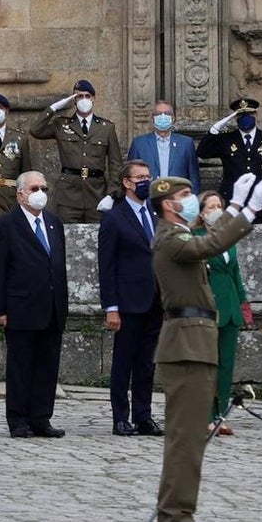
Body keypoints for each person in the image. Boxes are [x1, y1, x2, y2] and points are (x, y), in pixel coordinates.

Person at [149, 171, 262, 522]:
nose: (191, 200)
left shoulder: (180, 234)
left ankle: (176, 513)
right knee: (186, 438)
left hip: (195, 340)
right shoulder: (170, 238)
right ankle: (176, 519)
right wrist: (249, 210)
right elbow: (210, 245)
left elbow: (209, 238)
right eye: (185, 195)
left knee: (189, 438)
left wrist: (234, 206)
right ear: (168, 204)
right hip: (186, 344)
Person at [0, 170, 68, 439]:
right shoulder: (6, 225)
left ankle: (41, 418)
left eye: (43, 188)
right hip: (21, 307)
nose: (40, 193)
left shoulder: (54, 223)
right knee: (21, 367)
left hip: (52, 307)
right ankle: (18, 420)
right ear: (20, 194)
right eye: (34, 188)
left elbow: (57, 265)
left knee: (47, 366)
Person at [98, 160, 163, 437]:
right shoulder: (114, 218)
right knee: (123, 363)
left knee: (147, 363)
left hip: (154, 301)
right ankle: (120, 417)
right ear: (126, 182)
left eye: (148, 177)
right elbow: (107, 266)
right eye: (140, 178)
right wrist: (111, 307)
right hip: (127, 303)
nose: (145, 182)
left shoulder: (156, 216)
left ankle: (143, 415)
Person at [192, 191, 253, 435]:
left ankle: (221, 414)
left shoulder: (228, 237)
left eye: (220, 205)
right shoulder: (196, 238)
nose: (217, 210)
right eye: (211, 207)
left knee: (226, 364)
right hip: (208, 307)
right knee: (208, 363)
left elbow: (235, 272)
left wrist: (243, 303)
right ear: (201, 213)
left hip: (230, 308)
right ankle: (205, 414)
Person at [28, 80, 123, 223]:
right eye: (79, 96)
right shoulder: (61, 124)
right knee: (67, 233)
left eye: (87, 96)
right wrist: (53, 108)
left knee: (97, 234)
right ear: (73, 100)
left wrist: (112, 195)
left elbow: (116, 164)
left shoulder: (106, 128)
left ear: (93, 98)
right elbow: (35, 131)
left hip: (97, 193)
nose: (84, 99)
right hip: (68, 195)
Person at [195, 98, 262, 224]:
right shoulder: (226, 139)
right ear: (235, 117)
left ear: (255, 114)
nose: (245, 118)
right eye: (241, 115)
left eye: (248, 114)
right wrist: (215, 129)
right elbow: (202, 153)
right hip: (233, 201)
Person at [126, 101, 201, 192]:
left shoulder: (186, 143)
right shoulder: (139, 143)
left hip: (177, 197)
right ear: (152, 119)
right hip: (148, 196)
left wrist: (193, 198)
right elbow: (130, 174)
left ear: (173, 118)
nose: (163, 116)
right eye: (158, 114)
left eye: (167, 113)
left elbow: (194, 176)